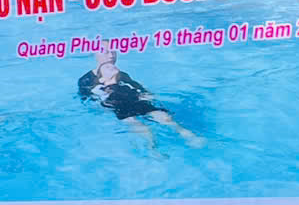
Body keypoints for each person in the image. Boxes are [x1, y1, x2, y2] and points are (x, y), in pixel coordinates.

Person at [75, 49, 203, 149]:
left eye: (113, 51)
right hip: (121, 107)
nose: (111, 56)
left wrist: (147, 95)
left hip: (138, 103)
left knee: (165, 117)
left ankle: (188, 135)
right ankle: (152, 148)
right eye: (106, 52)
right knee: (142, 128)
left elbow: (140, 89)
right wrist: (103, 106)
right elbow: (92, 100)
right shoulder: (93, 84)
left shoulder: (123, 78)